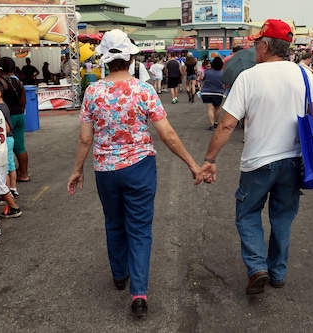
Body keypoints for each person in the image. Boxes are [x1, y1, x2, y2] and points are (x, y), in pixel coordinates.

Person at [67, 29, 203, 317]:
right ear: (131, 58)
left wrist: (77, 170)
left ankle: (119, 275)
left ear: (104, 59)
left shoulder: (92, 92)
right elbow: (166, 134)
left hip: (105, 170)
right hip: (139, 167)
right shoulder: (144, 90)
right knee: (139, 230)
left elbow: (84, 138)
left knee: (114, 222)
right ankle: (139, 294)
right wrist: (192, 164)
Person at [200, 19, 313, 295]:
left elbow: (226, 124)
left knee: (247, 214)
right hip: (294, 160)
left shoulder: (248, 77)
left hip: (258, 162)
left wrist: (210, 159)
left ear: (266, 45)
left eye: (257, 43)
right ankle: (278, 272)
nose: (255, 48)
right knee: (282, 217)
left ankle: (258, 267)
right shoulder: (305, 74)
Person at [0, 84, 22, 218]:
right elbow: (7, 129)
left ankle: (14, 207)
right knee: (2, 177)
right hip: (3, 148)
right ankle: (11, 201)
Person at [0, 57, 30, 182]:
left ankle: (7, 178)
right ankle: (24, 174)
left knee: (4, 147)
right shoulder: (18, 82)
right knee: (20, 146)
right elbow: (23, 101)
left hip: (6, 117)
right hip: (19, 115)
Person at [0, 81, 20, 200]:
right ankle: (13, 189)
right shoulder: (4, 106)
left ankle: (6, 193)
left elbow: (6, 127)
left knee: (4, 169)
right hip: (9, 139)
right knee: (10, 165)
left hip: (4, 140)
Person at [200, 57, 225, 130]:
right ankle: (216, 122)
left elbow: (202, 79)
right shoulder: (223, 73)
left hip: (207, 92)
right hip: (218, 93)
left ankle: (211, 125)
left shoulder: (207, 72)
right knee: (217, 107)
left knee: (209, 108)